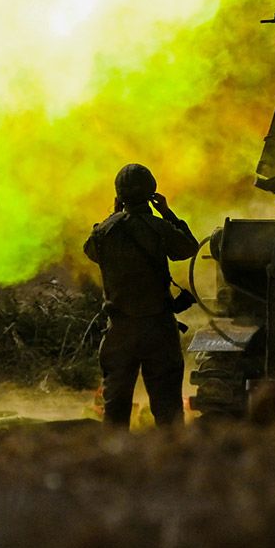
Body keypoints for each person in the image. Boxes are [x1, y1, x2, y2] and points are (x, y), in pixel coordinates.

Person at [82, 162, 200, 427]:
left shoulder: (103, 233)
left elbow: (91, 251)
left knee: (115, 410)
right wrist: (167, 213)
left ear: (119, 195)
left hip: (120, 330)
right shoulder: (159, 228)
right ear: (151, 194)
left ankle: (116, 460)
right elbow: (188, 248)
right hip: (157, 328)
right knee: (168, 408)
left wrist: (113, 215)